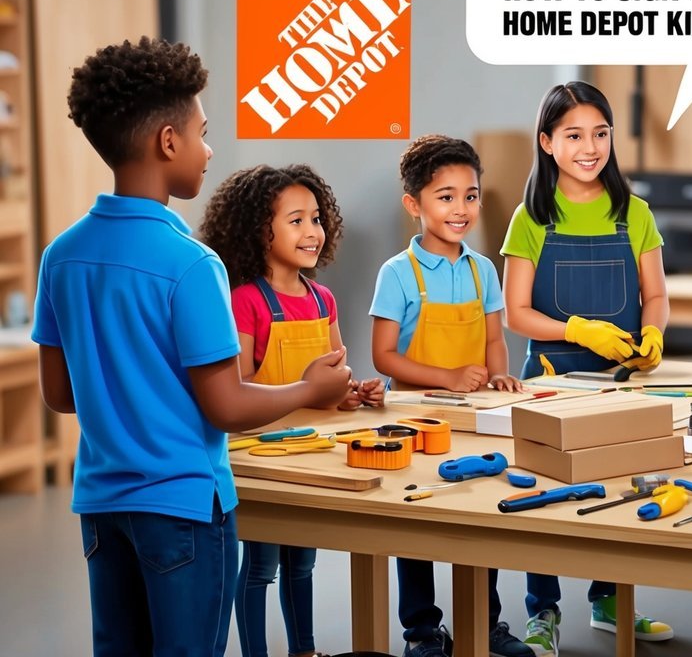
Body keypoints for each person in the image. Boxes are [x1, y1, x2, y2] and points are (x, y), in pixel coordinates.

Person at [30, 37, 351, 656]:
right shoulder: (191, 263)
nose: (209, 150)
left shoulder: (61, 257)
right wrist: (312, 388)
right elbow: (226, 407)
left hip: (101, 506)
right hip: (183, 507)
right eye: (203, 133)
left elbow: (61, 394)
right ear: (167, 142)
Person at [500, 81, 673, 655]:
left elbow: (656, 295)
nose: (589, 146)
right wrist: (576, 329)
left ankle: (611, 600)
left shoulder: (635, 212)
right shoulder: (531, 218)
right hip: (550, 379)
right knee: (542, 494)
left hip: (620, 382)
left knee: (623, 489)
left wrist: (653, 333)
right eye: (573, 135)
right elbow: (517, 314)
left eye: (600, 133)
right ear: (547, 142)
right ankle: (542, 612)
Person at [198, 163, 384, 657]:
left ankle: (304, 650)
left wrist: (354, 391)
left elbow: (335, 378)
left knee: (303, 564)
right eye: (296, 220)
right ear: (260, 230)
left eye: (317, 218)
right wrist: (306, 388)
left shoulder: (323, 299)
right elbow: (236, 386)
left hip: (312, 454)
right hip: (261, 458)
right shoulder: (244, 302)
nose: (312, 231)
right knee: (261, 566)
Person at [368, 134, 527, 657]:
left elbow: (495, 339)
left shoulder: (483, 270)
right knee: (417, 522)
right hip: (414, 419)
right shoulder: (397, 273)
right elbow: (384, 357)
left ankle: (486, 623)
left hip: (475, 419)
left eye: (471, 195)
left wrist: (498, 377)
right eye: (446, 196)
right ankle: (421, 629)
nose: (461, 209)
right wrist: (447, 377)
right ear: (414, 204)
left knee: (481, 514)